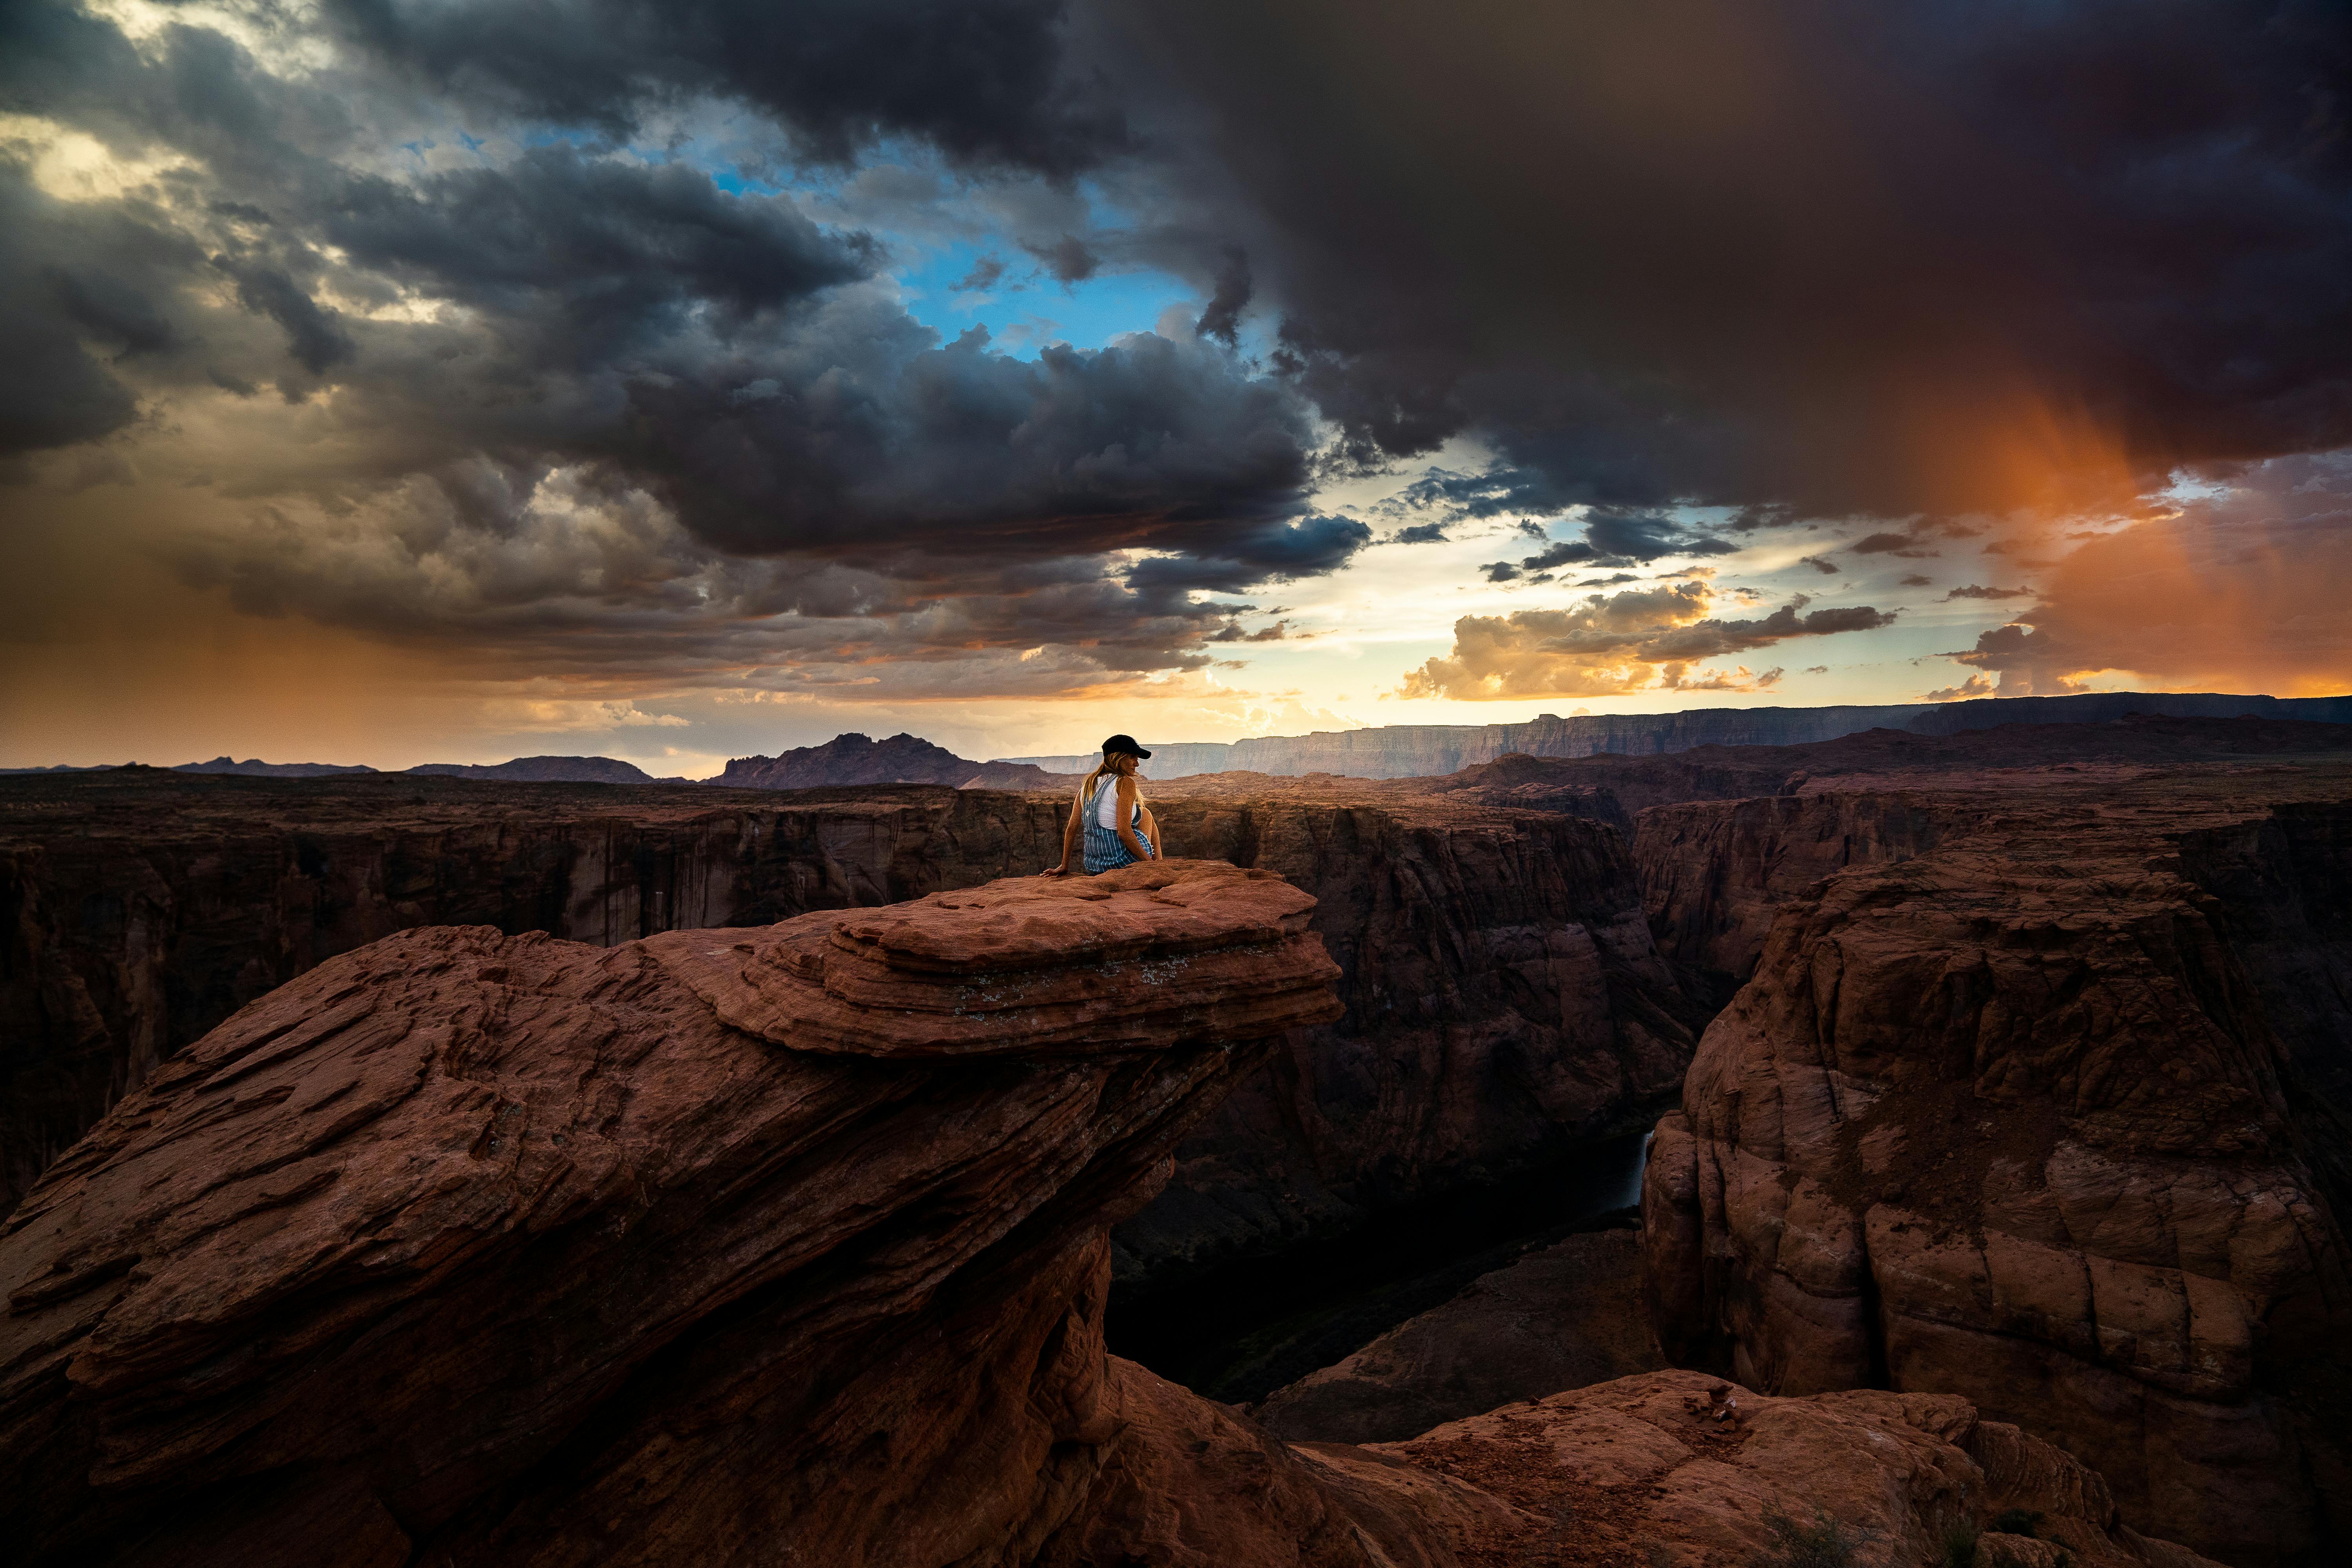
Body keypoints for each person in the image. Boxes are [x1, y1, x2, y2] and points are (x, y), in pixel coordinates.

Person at [1044, 734, 1163, 875]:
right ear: (1118, 757)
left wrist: (1064, 865)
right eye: (1132, 757)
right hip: (1121, 862)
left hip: (1094, 866)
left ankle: (1160, 865)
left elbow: (1071, 828)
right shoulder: (1124, 783)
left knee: (1144, 813)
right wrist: (1149, 864)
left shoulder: (1087, 787)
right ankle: (1159, 866)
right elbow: (1124, 832)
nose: (1137, 764)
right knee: (1146, 815)